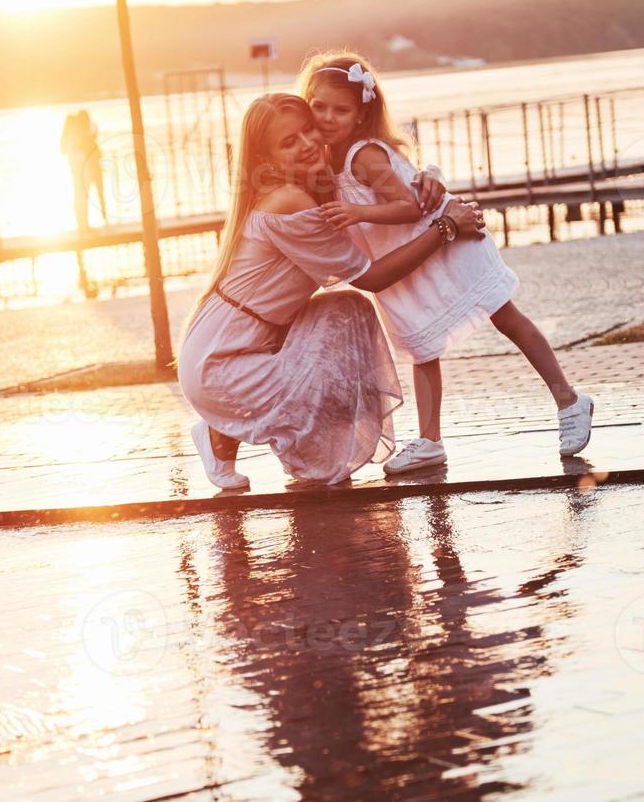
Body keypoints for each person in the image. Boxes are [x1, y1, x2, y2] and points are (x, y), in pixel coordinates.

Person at [301, 52, 595, 473]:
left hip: (449, 246)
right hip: (413, 256)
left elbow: (407, 205)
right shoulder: (329, 159)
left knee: (505, 316)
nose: (328, 117)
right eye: (320, 107)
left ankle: (569, 400)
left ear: (361, 112)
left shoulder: (363, 155)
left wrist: (359, 213)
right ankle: (430, 440)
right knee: (422, 345)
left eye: (341, 109)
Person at [176, 93, 485, 490]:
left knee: (347, 310)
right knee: (348, 322)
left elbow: (370, 194)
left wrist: (427, 177)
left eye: (308, 130)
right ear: (266, 161)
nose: (306, 144)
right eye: (289, 142)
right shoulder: (288, 201)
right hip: (219, 363)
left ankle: (220, 437)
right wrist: (445, 229)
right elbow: (372, 277)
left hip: (224, 344)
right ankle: (222, 428)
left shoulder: (305, 190)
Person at [60, 109, 107, 232]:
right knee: (84, 195)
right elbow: (95, 131)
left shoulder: (76, 134)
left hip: (81, 168)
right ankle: (85, 224)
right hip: (83, 168)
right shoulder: (78, 135)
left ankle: (85, 223)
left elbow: (95, 131)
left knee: (81, 195)